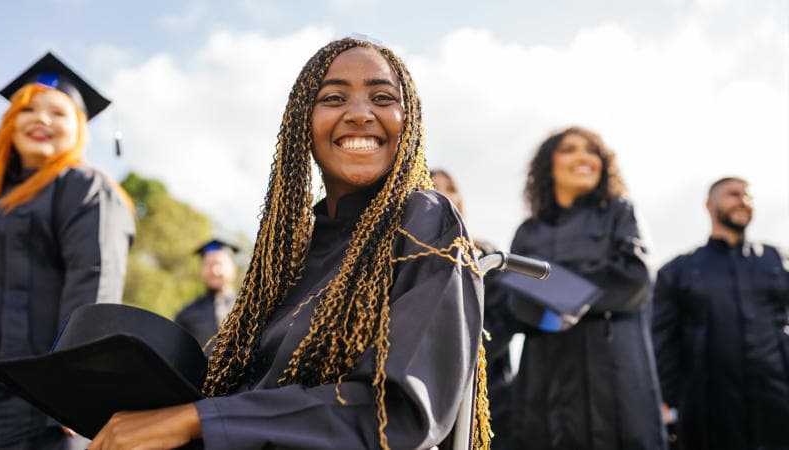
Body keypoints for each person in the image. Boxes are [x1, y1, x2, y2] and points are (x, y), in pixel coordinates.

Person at [89, 37, 489, 450]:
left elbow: (400, 415)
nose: (359, 113)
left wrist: (199, 420)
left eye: (382, 97)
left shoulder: (423, 218)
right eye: (334, 97)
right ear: (303, 122)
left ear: (410, 120)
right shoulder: (290, 256)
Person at [0, 52, 135, 449]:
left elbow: (93, 284)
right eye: (29, 109)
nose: (41, 119)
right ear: (10, 121)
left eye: (59, 112)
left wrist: (78, 384)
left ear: (79, 128)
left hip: (39, 406)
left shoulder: (86, 189)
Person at [504, 126, 666, 449]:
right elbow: (517, 302)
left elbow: (633, 279)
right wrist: (578, 296)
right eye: (570, 149)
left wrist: (553, 289)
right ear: (548, 164)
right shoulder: (529, 232)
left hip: (617, 377)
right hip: (545, 382)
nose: (583, 157)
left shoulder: (620, 214)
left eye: (592, 151)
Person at [651, 176, 789, 450]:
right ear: (709, 204)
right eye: (733, 194)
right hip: (708, 408)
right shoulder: (679, 271)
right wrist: (667, 402)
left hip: (776, 401)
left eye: (748, 196)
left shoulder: (778, 261)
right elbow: (663, 342)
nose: (743, 201)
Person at [430, 168, 515, 448]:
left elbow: (502, 321)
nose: (441, 191)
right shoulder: (408, 256)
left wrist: (461, 356)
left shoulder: (485, 255)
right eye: (432, 185)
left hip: (483, 383)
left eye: (448, 186)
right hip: (428, 385)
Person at [175, 239, 239, 351]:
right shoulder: (187, 314)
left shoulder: (251, 309)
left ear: (234, 269)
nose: (214, 271)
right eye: (208, 265)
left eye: (219, 264)